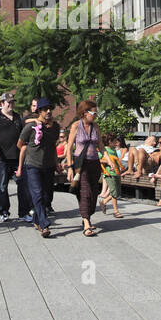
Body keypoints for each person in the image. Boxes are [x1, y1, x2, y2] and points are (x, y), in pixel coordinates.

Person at [0, 92, 31, 224]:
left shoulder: (17, 117)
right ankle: (4, 212)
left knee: (23, 185)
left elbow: (23, 134)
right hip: (2, 157)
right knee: (3, 186)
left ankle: (23, 213)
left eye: (13, 102)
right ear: (2, 103)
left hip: (17, 158)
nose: (11, 104)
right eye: (9, 102)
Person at [16, 99, 58, 237]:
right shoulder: (31, 127)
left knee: (46, 197)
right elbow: (19, 144)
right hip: (33, 165)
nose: (48, 111)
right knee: (38, 194)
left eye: (50, 109)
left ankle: (36, 219)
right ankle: (44, 224)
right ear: (39, 111)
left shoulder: (55, 127)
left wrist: (56, 163)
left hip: (48, 166)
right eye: (45, 109)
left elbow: (53, 146)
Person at [64, 100, 103, 237]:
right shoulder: (76, 126)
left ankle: (87, 215)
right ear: (84, 113)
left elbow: (101, 146)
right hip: (81, 164)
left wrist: (108, 161)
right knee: (84, 191)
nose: (95, 115)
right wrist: (69, 167)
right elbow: (68, 148)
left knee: (93, 192)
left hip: (94, 163)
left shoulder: (96, 127)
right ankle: (86, 223)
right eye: (93, 112)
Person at [97, 135, 125, 219]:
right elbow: (98, 159)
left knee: (117, 192)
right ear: (109, 141)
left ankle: (104, 202)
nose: (116, 143)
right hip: (109, 174)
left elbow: (116, 160)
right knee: (114, 192)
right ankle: (116, 211)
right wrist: (107, 161)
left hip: (116, 173)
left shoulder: (113, 150)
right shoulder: (104, 150)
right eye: (115, 141)